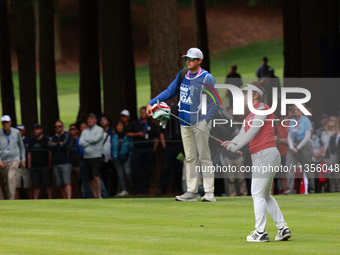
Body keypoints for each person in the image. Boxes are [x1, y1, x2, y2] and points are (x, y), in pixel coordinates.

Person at [221, 80, 292, 242]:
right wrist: (231, 143)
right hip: (262, 156)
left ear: (255, 95)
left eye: (246, 94)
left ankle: (260, 233)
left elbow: (252, 132)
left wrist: (237, 145)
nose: (244, 97)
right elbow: (242, 134)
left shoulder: (262, 109)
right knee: (265, 195)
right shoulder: (251, 114)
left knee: (257, 194)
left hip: (265, 155)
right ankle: (282, 228)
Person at [146, 47, 220, 202]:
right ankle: (191, 191)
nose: (188, 61)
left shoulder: (207, 78)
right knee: (190, 157)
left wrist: (205, 119)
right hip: (184, 120)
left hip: (200, 121)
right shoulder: (182, 75)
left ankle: (209, 192)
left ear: (200, 61)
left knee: (204, 156)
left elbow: (215, 102)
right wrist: (152, 102)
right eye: (187, 58)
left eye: (192, 59)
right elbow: (169, 91)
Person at [126, 107, 159, 195]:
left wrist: (154, 149)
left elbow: (156, 137)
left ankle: (145, 189)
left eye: (144, 112)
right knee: (135, 170)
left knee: (147, 170)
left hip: (148, 149)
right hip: (137, 149)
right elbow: (127, 133)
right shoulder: (134, 123)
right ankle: (135, 190)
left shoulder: (151, 125)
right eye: (141, 112)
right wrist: (137, 134)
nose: (142, 114)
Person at [285, 105, 314, 194]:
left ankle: (311, 190)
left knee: (307, 168)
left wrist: (297, 148)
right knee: (289, 167)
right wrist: (292, 148)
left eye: (298, 110)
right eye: (294, 110)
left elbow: (307, 137)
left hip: (304, 145)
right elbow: (289, 136)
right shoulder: (292, 121)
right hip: (293, 145)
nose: (295, 111)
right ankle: (289, 189)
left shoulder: (306, 121)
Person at [158, 103, 183, 195]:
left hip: (179, 147)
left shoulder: (181, 119)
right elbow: (162, 133)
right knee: (165, 168)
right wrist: (164, 145)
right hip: (168, 147)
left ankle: (176, 188)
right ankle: (162, 188)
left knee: (178, 168)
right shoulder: (165, 118)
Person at [0, 115, 26, 200]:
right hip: (3, 161)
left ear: (10, 123)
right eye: (3, 123)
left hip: (14, 159)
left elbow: (21, 147)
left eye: (7, 122)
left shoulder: (16, 132)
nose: (5, 124)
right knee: (6, 181)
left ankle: (11, 200)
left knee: (11, 177)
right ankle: (8, 198)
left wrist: (23, 160)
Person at [79, 114, 104, 198]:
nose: (89, 120)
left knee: (95, 176)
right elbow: (80, 142)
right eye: (88, 119)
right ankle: (95, 195)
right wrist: (90, 141)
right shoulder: (84, 131)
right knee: (89, 178)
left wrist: (87, 140)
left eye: (91, 119)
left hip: (96, 156)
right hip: (86, 157)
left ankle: (99, 194)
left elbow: (95, 139)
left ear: (95, 120)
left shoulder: (99, 129)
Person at [48, 120, 72, 199]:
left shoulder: (66, 136)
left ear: (62, 127)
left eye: (59, 126)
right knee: (60, 183)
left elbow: (65, 146)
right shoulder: (53, 137)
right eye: (56, 127)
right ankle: (65, 199)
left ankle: (69, 198)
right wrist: (59, 144)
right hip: (56, 163)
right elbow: (49, 146)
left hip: (65, 162)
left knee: (67, 182)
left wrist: (56, 145)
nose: (57, 128)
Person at [28, 124, 52, 199]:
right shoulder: (32, 141)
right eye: (34, 129)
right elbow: (29, 154)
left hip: (45, 166)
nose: (35, 131)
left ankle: (50, 199)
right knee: (35, 185)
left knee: (48, 184)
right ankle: (36, 200)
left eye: (37, 129)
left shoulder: (46, 139)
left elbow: (50, 152)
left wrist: (49, 164)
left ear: (41, 130)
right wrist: (29, 166)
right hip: (34, 167)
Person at [112, 121, 133, 197]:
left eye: (121, 126)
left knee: (128, 172)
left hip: (126, 157)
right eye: (118, 126)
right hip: (117, 158)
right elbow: (112, 147)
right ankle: (123, 190)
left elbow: (131, 146)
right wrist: (112, 156)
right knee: (120, 175)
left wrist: (130, 156)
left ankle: (132, 188)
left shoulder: (127, 136)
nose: (119, 127)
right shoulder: (114, 136)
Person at [321, 116, 340, 192]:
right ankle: (332, 191)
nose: (330, 122)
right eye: (329, 120)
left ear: (336, 122)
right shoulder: (324, 133)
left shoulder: (338, 133)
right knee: (330, 176)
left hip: (336, 157)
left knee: (337, 175)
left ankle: (338, 190)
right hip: (327, 157)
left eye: (332, 120)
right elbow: (322, 146)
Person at [100, 114, 115, 196]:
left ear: (108, 122)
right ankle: (105, 193)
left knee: (112, 176)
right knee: (103, 176)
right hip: (102, 158)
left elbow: (114, 144)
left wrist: (113, 155)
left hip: (110, 158)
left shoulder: (112, 132)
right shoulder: (99, 131)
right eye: (101, 120)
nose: (102, 121)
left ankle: (112, 192)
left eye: (104, 120)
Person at [15, 125, 32, 199]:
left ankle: (32, 201)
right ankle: (14, 202)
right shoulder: (13, 141)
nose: (18, 132)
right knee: (16, 186)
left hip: (26, 167)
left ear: (24, 131)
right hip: (16, 166)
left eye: (20, 130)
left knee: (28, 186)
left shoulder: (28, 141)